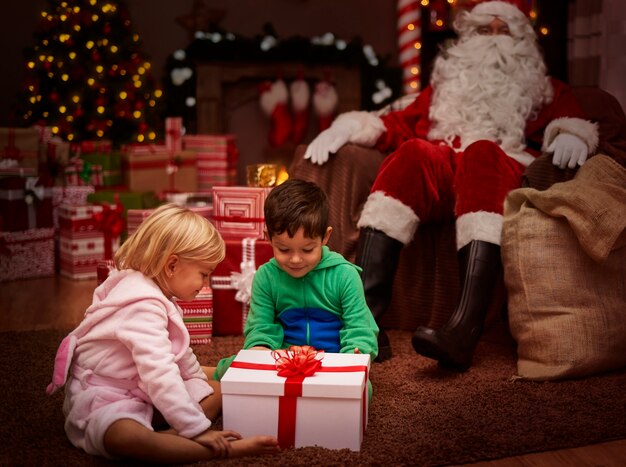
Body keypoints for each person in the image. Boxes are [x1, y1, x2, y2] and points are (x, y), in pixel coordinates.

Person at [303, 0, 598, 370]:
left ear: (522, 39)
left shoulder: (545, 90)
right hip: (445, 171)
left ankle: (463, 330)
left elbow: (572, 119)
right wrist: (347, 127)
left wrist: (573, 133)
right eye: (482, 30)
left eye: (502, 30)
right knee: (412, 153)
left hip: (499, 169)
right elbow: (398, 124)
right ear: (466, 37)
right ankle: (367, 321)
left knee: (481, 154)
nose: (492, 39)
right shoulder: (444, 90)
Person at [46, 204, 279, 462]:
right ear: (171, 266)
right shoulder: (141, 307)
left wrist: (199, 381)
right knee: (125, 437)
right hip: (106, 397)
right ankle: (217, 449)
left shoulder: (157, 294)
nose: (205, 284)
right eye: (203, 275)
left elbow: (182, 356)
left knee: (218, 390)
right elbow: (160, 372)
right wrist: (197, 429)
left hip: (140, 389)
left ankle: (170, 435)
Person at [213, 179, 379, 383]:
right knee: (234, 365)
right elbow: (261, 327)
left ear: (325, 237)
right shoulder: (266, 277)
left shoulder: (345, 275)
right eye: (284, 249)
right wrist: (259, 348)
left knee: (364, 391)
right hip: (283, 359)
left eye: (307, 250)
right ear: (268, 237)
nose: (295, 260)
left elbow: (359, 327)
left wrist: (355, 354)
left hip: (335, 358)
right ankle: (206, 374)